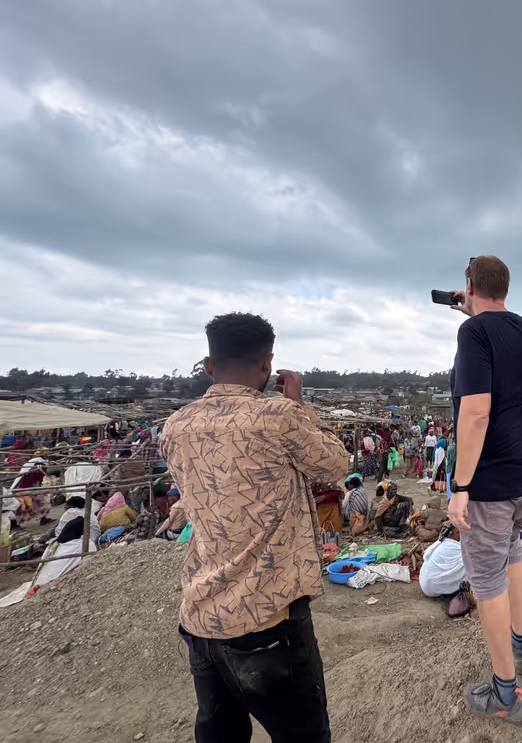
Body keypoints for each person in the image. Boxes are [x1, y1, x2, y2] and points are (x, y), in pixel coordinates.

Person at [161, 312, 349, 743]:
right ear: (268, 364)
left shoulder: (176, 426)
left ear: (209, 366)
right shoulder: (279, 416)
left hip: (201, 618)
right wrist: (299, 406)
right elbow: (336, 464)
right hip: (268, 620)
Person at [447, 255, 522, 724]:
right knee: (512, 551)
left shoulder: (474, 333)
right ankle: (520, 646)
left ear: (469, 286)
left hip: (491, 480)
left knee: (486, 580)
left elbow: (476, 412)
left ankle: (507, 695)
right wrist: (474, 312)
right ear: (505, 288)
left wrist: (461, 486)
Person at [420, 522, 468, 599]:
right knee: (470, 564)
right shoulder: (452, 547)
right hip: (433, 588)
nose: (460, 535)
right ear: (451, 534)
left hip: (426, 585)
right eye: (458, 532)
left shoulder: (442, 543)